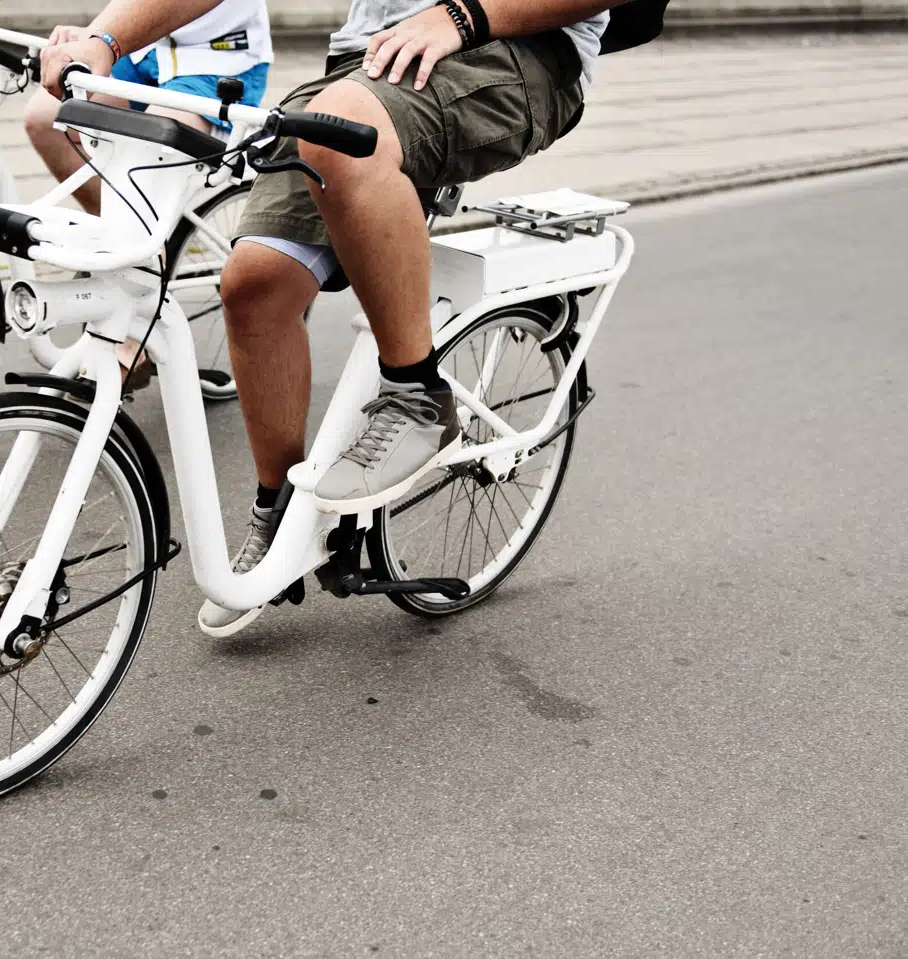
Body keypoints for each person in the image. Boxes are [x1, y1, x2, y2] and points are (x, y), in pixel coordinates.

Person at [42, 0, 613, 636]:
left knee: (342, 127)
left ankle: (416, 396)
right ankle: (281, 516)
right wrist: (105, 39)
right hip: (364, 65)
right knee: (255, 285)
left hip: (511, 52)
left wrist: (461, 17)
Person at [0, 0, 274, 388]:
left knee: (144, 152)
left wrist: (98, 36)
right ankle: (130, 244)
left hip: (216, 58)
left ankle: (135, 317)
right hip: (143, 49)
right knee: (46, 116)